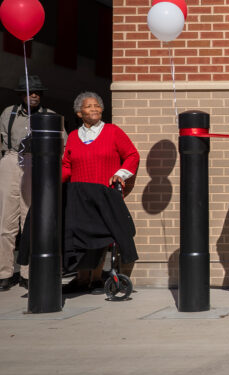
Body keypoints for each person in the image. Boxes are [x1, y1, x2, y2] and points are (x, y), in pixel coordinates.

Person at [61, 92, 140, 292]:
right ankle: (81, 278)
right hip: (79, 196)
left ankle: (96, 278)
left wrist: (120, 174)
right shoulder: (72, 136)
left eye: (97, 105)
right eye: (89, 106)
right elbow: (67, 166)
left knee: (100, 236)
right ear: (79, 113)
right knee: (79, 235)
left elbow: (132, 155)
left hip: (104, 194)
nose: (94, 109)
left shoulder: (112, 131)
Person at [1, 75, 62, 291]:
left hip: (36, 161)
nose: (33, 95)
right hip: (11, 158)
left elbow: (60, 147)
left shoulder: (51, 116)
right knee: (5, 220)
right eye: (29, 92)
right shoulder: (9, 113)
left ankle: (29, 272)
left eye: (37, 92)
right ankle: (5, 272)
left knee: (31, 218)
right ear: (21, 94)